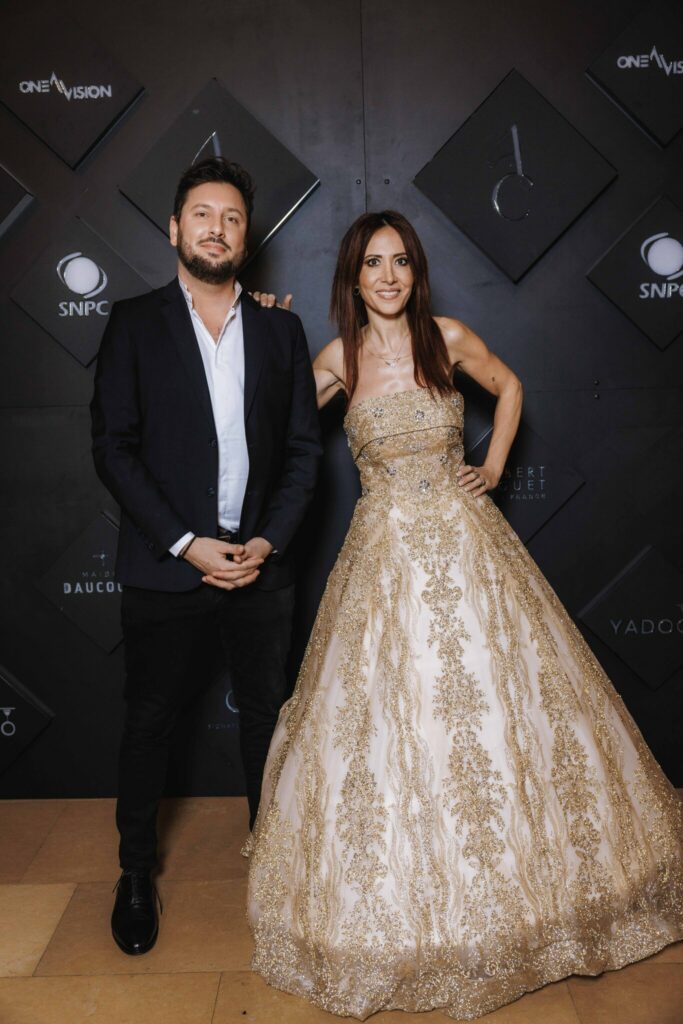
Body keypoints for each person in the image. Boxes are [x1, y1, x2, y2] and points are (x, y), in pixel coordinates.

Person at [246, 210, 683, 1020]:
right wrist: (265, 336)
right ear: (352, 279)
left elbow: (509, 387)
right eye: (372, 263)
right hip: (383, 561)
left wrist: (492, 463)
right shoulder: (337, 360)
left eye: (400, 261)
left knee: (502, 704)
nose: (387, 276)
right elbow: (268, 422)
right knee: (390, 718)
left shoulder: (445, 337)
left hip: (468, 546)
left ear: (415, 272)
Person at [90, 157, 322, 956]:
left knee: (266, 719)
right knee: (149, 721)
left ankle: (276, 867)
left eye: (230, 217)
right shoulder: (132, 323)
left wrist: (265, 540)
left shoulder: (282, 331)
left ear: (245, 238)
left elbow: (303, 452)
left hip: (261, 565)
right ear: (173, 229)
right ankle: (133, 874)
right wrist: (188, 545)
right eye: (201, 214)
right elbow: (114, 449)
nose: (215, 228)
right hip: (167, 566)